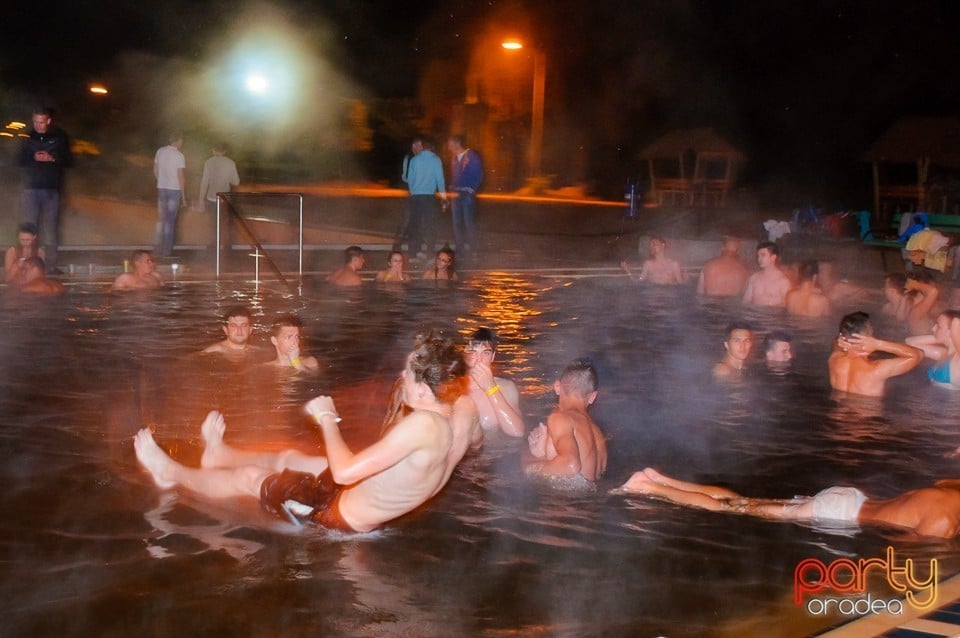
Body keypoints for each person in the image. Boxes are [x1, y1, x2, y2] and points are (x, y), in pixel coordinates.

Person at [133, 333, 472, 533]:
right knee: (291, 457)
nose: (402, 373)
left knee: (252, 478)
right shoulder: (457, 413)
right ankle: (220, 455)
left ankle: (170, 473)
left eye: (409, 373)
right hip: (352, 494)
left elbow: (344, 471)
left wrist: (327, 417)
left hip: (337, 514)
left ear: (427, 391)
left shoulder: (424, 425)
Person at [612, 467, 960, 539]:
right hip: (836, 514)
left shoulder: (951, 489)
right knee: (730, 509)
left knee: (744, 502)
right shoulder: (945, 523)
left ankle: (660, 478)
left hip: (851, 497)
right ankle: (649, 488)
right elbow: (902, 553)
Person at [521, 358, 607, 489]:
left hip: (565, 505)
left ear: (557, 387)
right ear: (592, 396)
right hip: (588, 507)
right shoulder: (598, 434)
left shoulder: (560, 418)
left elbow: (570, 465)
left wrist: (532, 464)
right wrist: (543, 453)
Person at [17, 107, 71, 273]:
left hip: (50, 189)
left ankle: (50, 266)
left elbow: (69, 161)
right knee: (29, 228)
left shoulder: (59, 137)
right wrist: (32, 157)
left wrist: (52, 158)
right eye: (35, 122)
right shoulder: (27, 136)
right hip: (31, 189)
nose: (38, 125)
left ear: (48, 121)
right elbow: (18, 160)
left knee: (50, 228)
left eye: (41, 122)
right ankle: (27, 265)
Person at [828, 311, 923, 397]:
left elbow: (836, 343)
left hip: (837, 415)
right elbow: (918, 355)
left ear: (843, 337)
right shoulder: (876, 370)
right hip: (867, 416)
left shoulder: (834, 360)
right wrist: (878, 344)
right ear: (868, 335)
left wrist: (841, 341)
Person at [463, 328, 525, 437]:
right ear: (464, 355)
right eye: (473, 352)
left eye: (485, 353)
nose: (479, 359)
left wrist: (491, 388)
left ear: (493, 356)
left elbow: (517, 432)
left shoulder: (506, 387)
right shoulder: (453, 388)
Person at [404, 137, 447, 260]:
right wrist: (444, 197)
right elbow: (440, 179)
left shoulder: (414, 160)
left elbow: (410, 179)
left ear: (422, 147)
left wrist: (413, 191)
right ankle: (429, 254)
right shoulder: (436, 160)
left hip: (416, 197)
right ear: (432, 148)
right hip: (429, 198)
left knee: (414, 226)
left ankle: (413, 254)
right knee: (430, 226)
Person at [196, 142, 240, 254]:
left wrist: (201, 200)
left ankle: (214, 246)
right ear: (224, 151)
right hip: (225, 199)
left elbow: (204, 182)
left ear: (213, 150)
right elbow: (236, 181)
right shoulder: (231, 163)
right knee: (225, 224)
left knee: (214, 224)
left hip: (211, 198)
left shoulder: (208, 162)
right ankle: (226, 247)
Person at [447, 135, 483, 257]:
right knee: (456, 224)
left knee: (468, 223)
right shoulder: (454, 158)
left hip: (466, 194)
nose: (449, 147)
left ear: (457, 144)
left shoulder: (471, 156)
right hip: (456, 194)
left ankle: (474, 250)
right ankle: (460, 250)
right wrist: (452, 186)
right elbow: (456, 177)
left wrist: (471, 189)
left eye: (450, 144)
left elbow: (478, 175)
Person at [907, 309, 960, 388]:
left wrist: (950, 336)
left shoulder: (958, 358)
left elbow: (956, 322)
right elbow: (910, 342)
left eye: (938, 326)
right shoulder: (942, 353)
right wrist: (939, 338)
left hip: (950, 400)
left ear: (951, 331)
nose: (933, 328)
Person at [154, 132, 187, 257]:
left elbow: (155, 170)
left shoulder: (160, 151)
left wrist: (160, 181)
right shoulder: (179, 155)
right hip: (174, 190)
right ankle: (166, 251)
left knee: (161, 220)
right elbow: (181, 177)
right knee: (170, 221)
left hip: (162, 188)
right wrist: (183, 197)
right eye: (181, 141)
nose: (182, 143)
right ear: (177, 141)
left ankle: (157, 248)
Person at [742, 241, 792, 307]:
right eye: (758, 256)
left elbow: (789, 306)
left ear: (773, 257)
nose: (759, 259)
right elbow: (745, 302)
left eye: (763, 255)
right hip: (754, 315)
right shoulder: (754, 278)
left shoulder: (783, 281)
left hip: (772, 316)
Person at [620, 236, 685, 284]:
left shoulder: (674, 265)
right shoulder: (648, 264)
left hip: (669, 296)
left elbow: (681, 285)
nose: (652, 246)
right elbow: (639, 281)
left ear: (663, 245)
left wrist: (686, 279)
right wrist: (628, 271)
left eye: (654, 244)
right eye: (650, 245)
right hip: (652, 295)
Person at [904, 271, 941, 336]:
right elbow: (933, 291)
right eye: (927, 287)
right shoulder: (915, 312)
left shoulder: (923, 310)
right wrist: (912, 284)